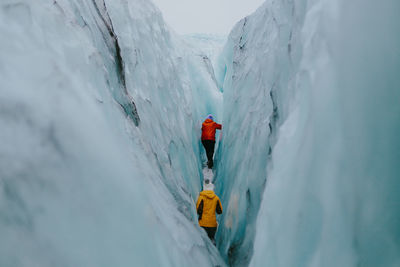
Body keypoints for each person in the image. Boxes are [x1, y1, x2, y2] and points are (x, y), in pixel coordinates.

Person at [196, 179, 223, 243]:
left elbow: (198, 210)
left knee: (203, 243)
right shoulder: (216, 198)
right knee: (211, 241)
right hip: (212, 225)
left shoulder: (201, 197)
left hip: (203, 224)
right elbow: (220, 211)